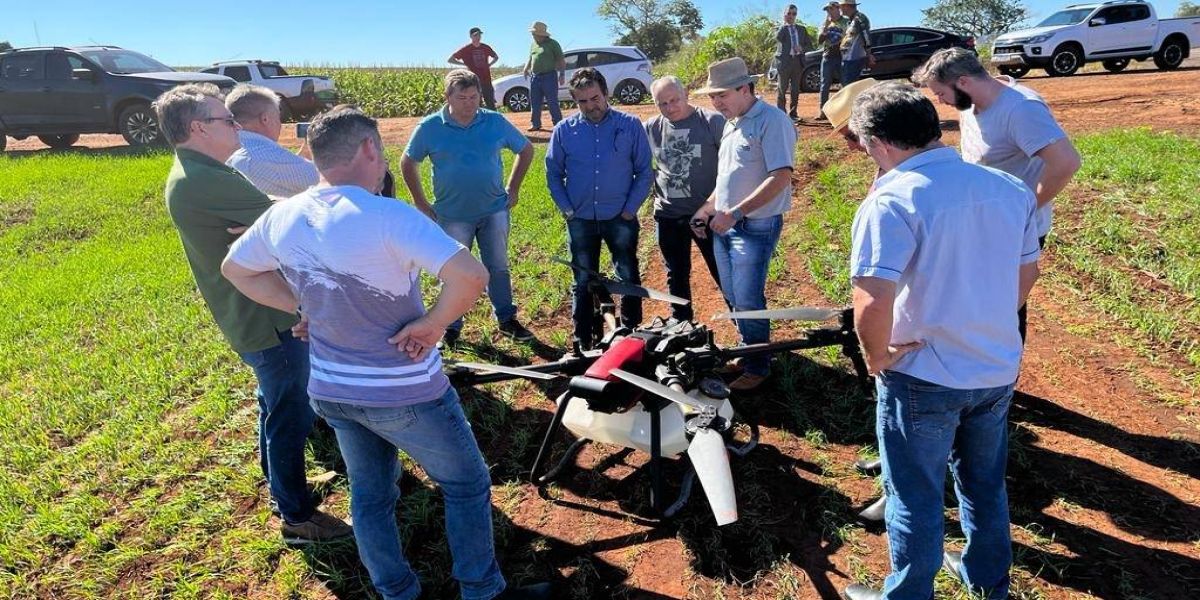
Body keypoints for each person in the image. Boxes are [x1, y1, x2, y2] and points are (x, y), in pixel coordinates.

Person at [220, 108, 552, 600]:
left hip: (332, 390)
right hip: (404, 390)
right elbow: (472, 275)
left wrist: (302, 306)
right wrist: (433, 324)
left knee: (370, 495)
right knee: (466, 484)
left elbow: (236, 269)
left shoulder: (283, 215)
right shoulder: (388, 215)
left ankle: (396, 592)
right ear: (369, 149)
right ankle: (482, 591)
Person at [840, 81, 1041, 600]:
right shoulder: (1009, 188)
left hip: (923, 374)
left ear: (878, 143)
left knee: (914, 492)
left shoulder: (893, 200)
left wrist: (877, 356)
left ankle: (909, 594)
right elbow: (1026, 274)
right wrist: (986, 320)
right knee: (984, 483)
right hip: (995, 367)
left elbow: (872, 299)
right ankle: (988, 581)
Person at [156, 83, 352, 543]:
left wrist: (271, 217)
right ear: (199, 128)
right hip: (268, 316)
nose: (235, 126)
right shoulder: (204, 180)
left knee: (273, 404)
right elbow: (297, 220)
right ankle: (296, 516)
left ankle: (283, 489)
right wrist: (278, 217)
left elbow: (274, 216)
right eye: (226, 120)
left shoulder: (202, 171)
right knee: (290, 413)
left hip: (251, 312)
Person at [913, 47, 1081, 342]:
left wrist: (1024, 209)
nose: (939, 101)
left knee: (1006, 302)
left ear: (963, 82)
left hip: (1011, 227)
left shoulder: (1021, 109)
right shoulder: (970, 103)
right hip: (983, 219)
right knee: (979, 297)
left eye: (940, 93)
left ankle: (1004, 366)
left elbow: (1066, 162)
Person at [401, 69, 536, 347]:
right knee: (453, 272)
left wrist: (513, 188)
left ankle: (506, 318)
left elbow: (526, 149)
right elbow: (408, 162)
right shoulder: (430, 127)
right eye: (462, 98)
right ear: (447, 97)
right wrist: (420, 202)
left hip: (494, 210)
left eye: (474, 97)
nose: (469, 103)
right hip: (452, 215)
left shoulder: (494, 122)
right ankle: (451, 326)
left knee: (498, 266)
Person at [690, 57, 796, 391]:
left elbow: (781, 176)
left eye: (721, 95)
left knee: (749, 299)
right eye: (712, 96)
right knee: (734, 295)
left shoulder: (772, 121)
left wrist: (734, 213)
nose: (716, 102)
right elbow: (727, 179)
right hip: (724, 225)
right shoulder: (732, 124)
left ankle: (758, 367)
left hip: (753, 226)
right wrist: (707, 209)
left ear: (745, 89)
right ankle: (747, 351)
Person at [546, 68, 652, 349]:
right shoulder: (564, 131)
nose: (590, 106)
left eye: (595, 98)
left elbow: (644, 171)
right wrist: (567, 210)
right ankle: (583, 340)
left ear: (605, 93)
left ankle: (631, 335)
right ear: (575, 101)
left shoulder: (630, 125)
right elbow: (553, 174)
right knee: (582, 280)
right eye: (582, 101)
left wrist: (630, 210)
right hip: (580, 218)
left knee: (627, 275)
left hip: (620, 217)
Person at [644, 75, 725, 323]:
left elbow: (731, 168)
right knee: (676, 275)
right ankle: (681, 327)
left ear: (686, 94)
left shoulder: (712, 122)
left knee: (722, 271)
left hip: (707, 215)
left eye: (674, 100)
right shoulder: (651, 127)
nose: (670, 108)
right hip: (668, 215)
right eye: (663, 103)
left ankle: (744, 324)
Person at [225, 84, 320, 198]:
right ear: (265, 119)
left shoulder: (222, 149)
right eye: (277, 117)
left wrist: (304, 154)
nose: (280, 124)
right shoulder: (264, 156)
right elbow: (330, 179)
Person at [521, 21, 565, 132]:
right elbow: (530, 58)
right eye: (532, 34)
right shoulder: (533, 45)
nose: (533, 36)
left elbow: (561, 59)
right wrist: (526, 68)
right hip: (535, 77)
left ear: (541, 34)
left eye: (534, 34)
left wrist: (562, 74)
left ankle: (558, 124)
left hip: (549, 76)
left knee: (552, 102)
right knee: (535, 102)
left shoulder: (553, 44)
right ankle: (535, 124)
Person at [774, 4, 813, 120]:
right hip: (784, 62)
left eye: (794, 14)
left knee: (795, 89)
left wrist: (801, 48)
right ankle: (781, 114)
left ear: (796, 15)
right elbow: (778, 38)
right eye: (789, 13)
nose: (791, 16)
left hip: (797, 61)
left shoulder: (802, 29)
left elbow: (809, 45)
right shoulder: (781, 28)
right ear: (785, 14)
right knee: (782, 89)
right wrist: (785, 24)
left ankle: (793, 114)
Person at [448, 27, 500, 110]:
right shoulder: (466, 49)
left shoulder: (485, 47)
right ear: (471, 36)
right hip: (473, 81)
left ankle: (492, 118)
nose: (478, 37)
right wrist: (464, 64)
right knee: (477, 105)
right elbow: (450, 59)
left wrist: (489, 64)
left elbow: (496, 57)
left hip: (486, 79)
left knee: (490, 104)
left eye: (479, 35)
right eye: (475, 35)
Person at [815, 1, 848, 120]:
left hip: (842, 55)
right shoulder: (826, 23)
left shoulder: (846, 21)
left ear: (838, 9)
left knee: (845, 83)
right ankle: (823, 111)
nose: (829, 12)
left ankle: (845, 111)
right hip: (828, 55)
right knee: (825, 84)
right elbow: (819, 40)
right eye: (827, 10)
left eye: (831, 9)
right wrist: (825, 27)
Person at [839, 0, 875, 86]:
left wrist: (869, 54)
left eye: (841, 6)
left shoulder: (860, 18)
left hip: (854, 58)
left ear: (847, 6)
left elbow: (866, 36)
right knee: (847, 84)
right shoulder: (850, 21)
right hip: (848, 58)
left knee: (849, 86)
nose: (840, 8)